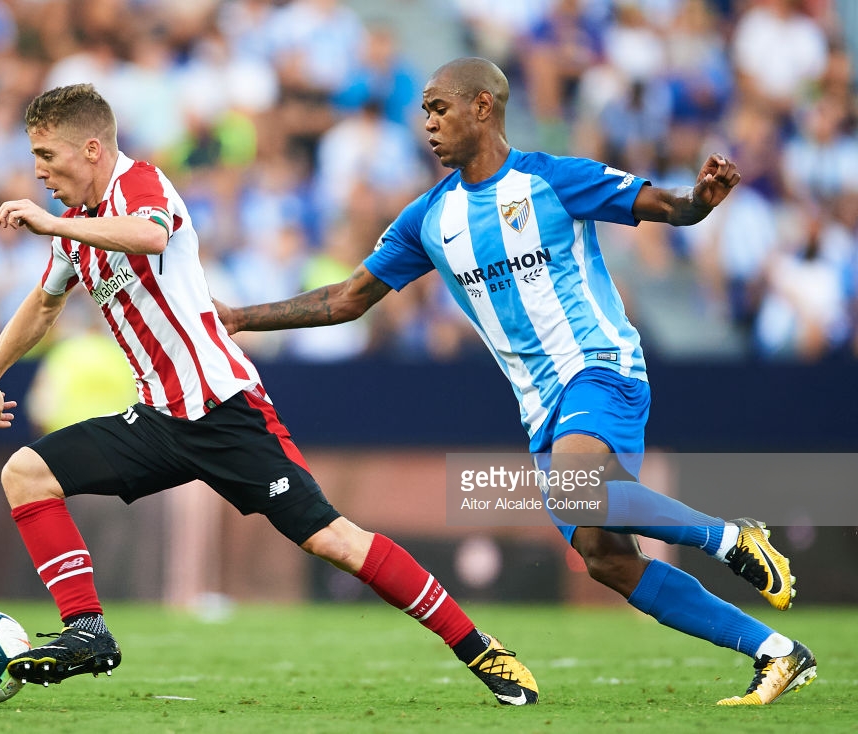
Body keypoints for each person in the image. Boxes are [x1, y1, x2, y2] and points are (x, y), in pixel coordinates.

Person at [215, 57, 818, 706]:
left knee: (577, 493)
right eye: (422, 113)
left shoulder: (553, 180)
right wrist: (240, 317)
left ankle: (728, 538)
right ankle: (777, 651)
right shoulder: (429, 219)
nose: (428, 125)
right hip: (541, 408)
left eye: (438, 109)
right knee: (605, 558)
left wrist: (700, 199)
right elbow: (346, 299)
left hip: (600, 366)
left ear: (482, 107)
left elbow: (668, 205)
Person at [0, 83, 538, 706]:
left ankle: (478, 648)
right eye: (34, 158)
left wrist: (49, 221)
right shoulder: (73, 227)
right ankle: (87, 632)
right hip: (159, 417)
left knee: (335, 541)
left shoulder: (143, 186)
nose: (39, 171)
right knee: (26, 474)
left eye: (47, 155)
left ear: (91, 148)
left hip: (227, 411)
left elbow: (152, 236)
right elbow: (45, 305)